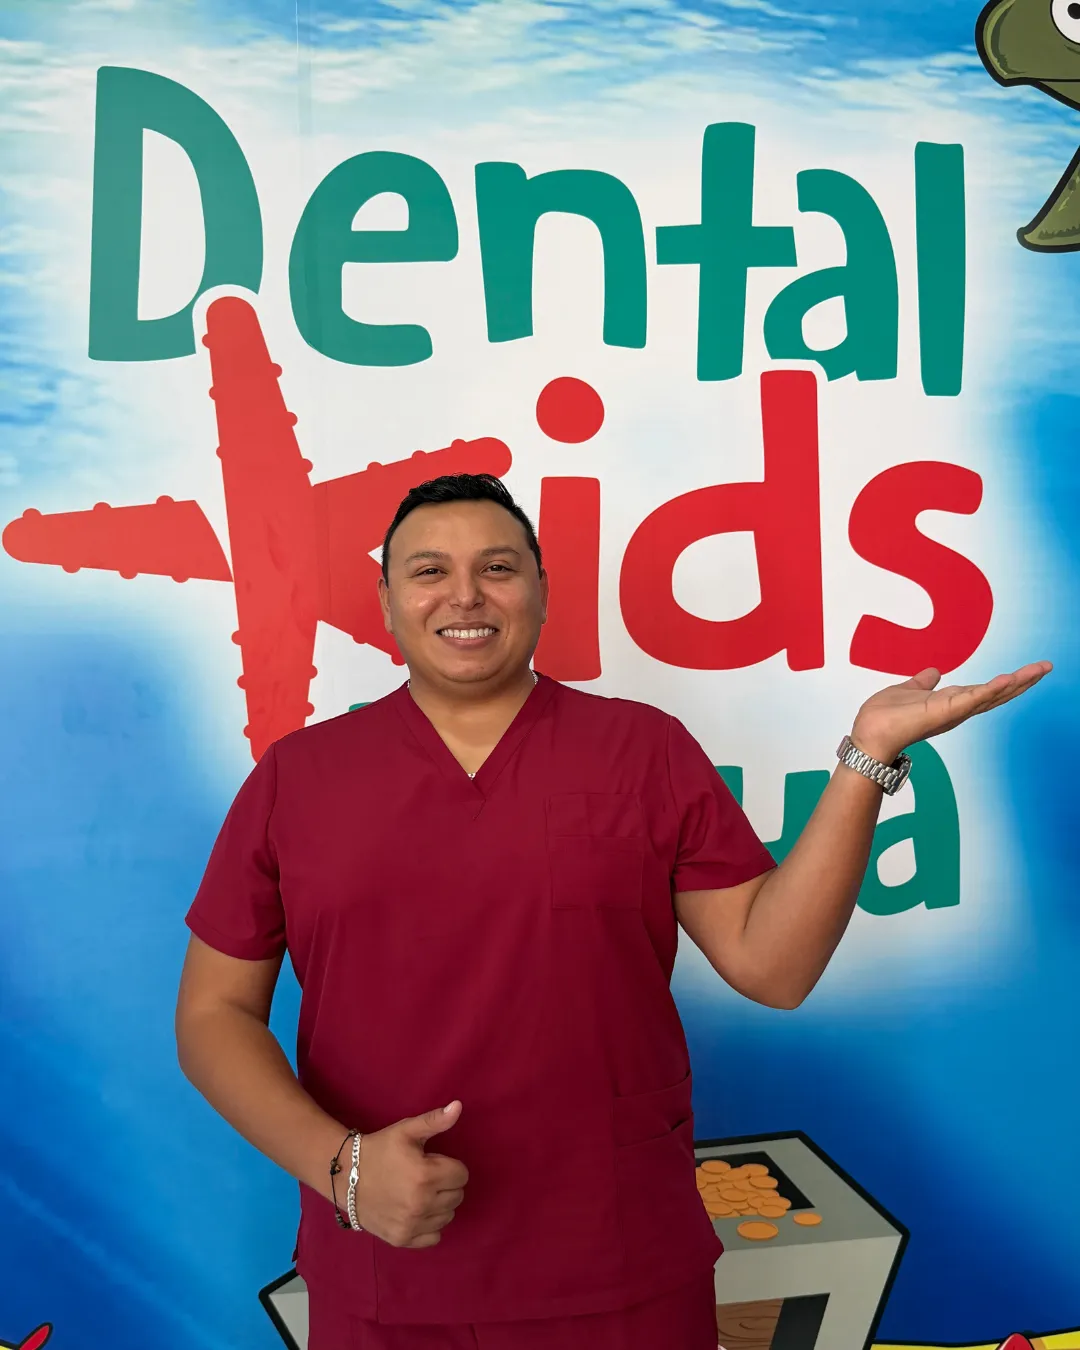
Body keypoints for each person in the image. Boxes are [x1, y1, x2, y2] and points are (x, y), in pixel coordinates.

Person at [176, 473, 1049, 1350]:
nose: (465, 595)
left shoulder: (643, 749)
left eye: (498, 567)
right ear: (387, 600)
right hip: (389, 1271)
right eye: (430, 570)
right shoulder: (298, 779)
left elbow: (774, 967)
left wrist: (868, 756)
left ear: (543, 591)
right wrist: (344, 1169)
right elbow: (215, 1014)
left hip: (620, 1267)